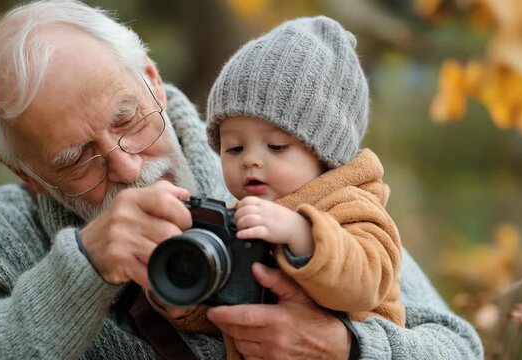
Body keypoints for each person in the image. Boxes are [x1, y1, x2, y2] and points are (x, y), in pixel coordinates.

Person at [0, 0, 483, 359]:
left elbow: (457, 348)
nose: (127, 166)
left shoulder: (285, 177)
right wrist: (82, 269)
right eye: (75, 159)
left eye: (127, 121)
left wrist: (344, 347)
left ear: (153, 81)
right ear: (26, 174)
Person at [154, 17, 406, 359]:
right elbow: (231, 310)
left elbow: (367, 282)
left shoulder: (353, 206)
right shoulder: (239, 217)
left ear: (324, 155)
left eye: (275, 147)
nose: (250, 161)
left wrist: (303, 235)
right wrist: (183, 297)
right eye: (234, 148)